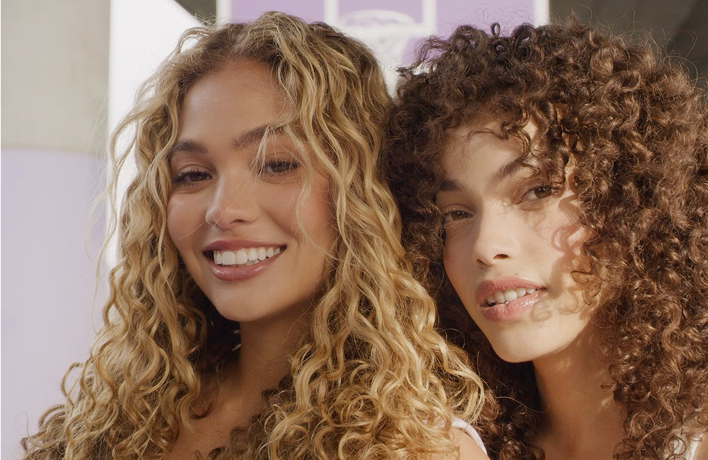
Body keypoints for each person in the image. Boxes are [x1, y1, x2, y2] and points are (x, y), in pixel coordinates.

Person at [384, 20, 708, 460]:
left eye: (537, 191)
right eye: (457, 214)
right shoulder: (449, 446)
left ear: (636, 201)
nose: (485, 246)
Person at [21, 12, 489, 460]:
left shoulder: (420, 448)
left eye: (278, 165)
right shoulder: (110, 424)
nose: (223, 210)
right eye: (193, 174)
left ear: (366, 193)